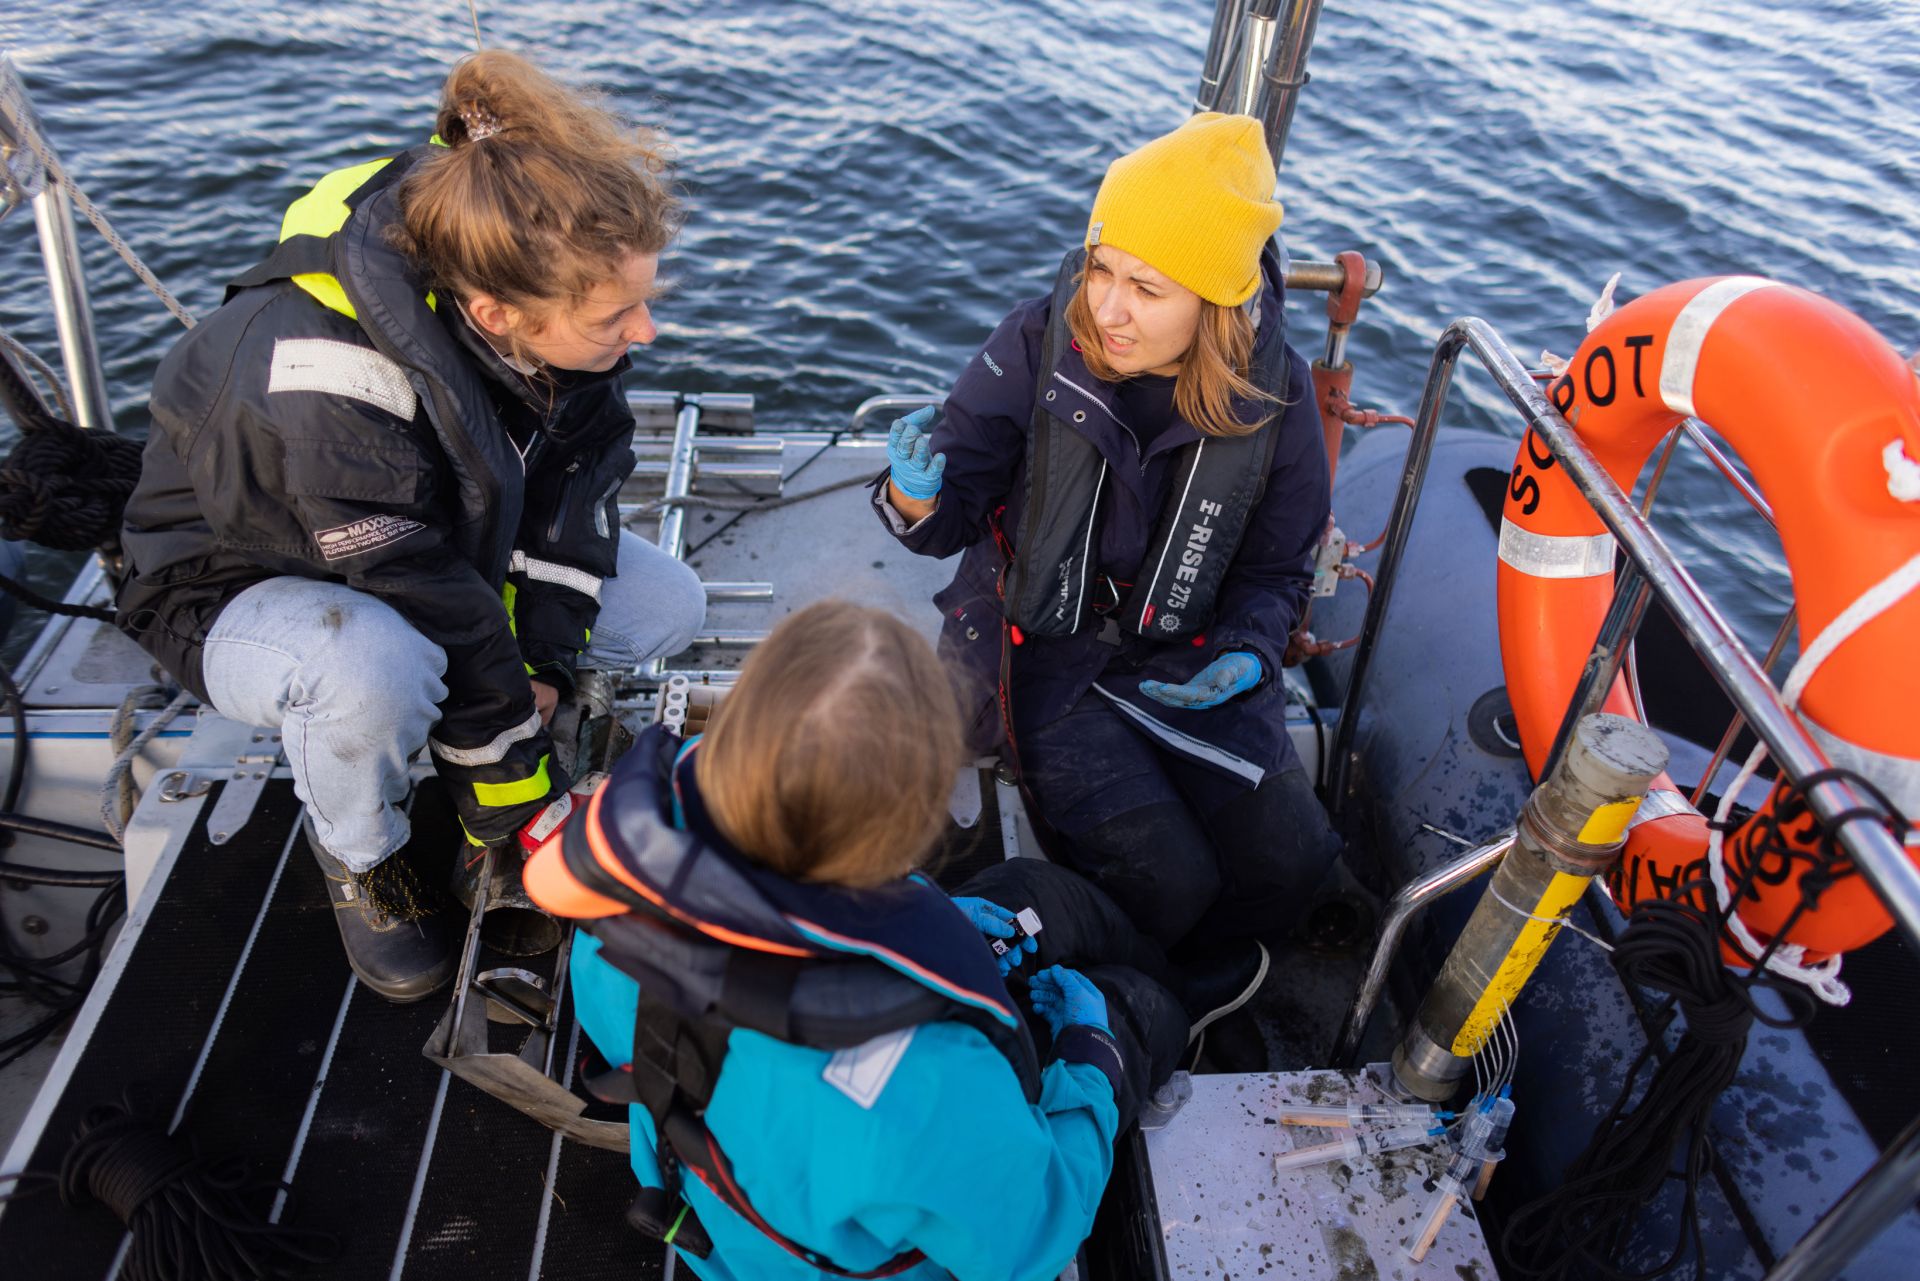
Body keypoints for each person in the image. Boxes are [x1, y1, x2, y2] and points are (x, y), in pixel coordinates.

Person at [113, 51, 707, 1001]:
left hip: (438, 540)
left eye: (643, 301)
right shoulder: (327, 377)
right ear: (493, 312)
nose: (643, 333)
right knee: (373, 667)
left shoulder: (536, 294)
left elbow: (575, 488)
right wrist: (514, 795)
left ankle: (486, 747)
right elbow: (418, 587)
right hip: (234, 582)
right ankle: (366, 860)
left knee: (666, 604)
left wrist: (545, 666)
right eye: (616, 315)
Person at [525, 601, 1199, 1281]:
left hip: (747, 1188)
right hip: (889, 1200)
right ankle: (1183, 1014)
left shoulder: (610, 927)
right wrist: (1092, 1058)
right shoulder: (928, 1091)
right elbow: (1034, 1236)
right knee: (1135, 1006)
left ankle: (1168, 986)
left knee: (1029, 889)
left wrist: (939, 916)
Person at [873, 113, 1341, 959]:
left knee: (1296, 861)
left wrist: (1248, 647)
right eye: (1102, 269)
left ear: (1219, 301)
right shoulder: (1033, 341)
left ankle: (1208, 980)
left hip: (1186, 662)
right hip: (1043, 658)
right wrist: (914, 497)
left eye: (1149, 289)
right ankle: (1133, 983)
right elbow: (955, 505)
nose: (1110, 309)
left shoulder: (1282, 399)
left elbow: (1277, 568)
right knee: (1169, 878)